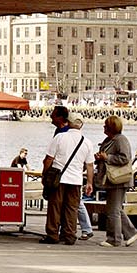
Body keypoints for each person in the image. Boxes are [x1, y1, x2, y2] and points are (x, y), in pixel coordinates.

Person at [41, 105, 89, 245]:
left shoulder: (61, 135)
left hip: (59, 176)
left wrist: (45, 174)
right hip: (75, 178)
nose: (50, 116)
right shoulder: (84, 140)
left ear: (62, 118)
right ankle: (69, 235)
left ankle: (53, 234)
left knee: (55, 206)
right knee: (71, 208)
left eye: (53, 114)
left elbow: (49, 158)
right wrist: (89, 181)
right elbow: (88, 163)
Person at [93, 115, 137, 248]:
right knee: (116, 208)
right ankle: (131, 232)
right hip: (111, 179)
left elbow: (125, 158)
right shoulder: (109, 140)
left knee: (113, 210)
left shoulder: (120, 140)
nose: (103, 127)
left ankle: (114, 238)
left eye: (105, 125)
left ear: (111, 127)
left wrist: (107, 157)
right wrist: (100, 157)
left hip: (118, 180)